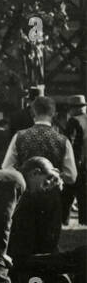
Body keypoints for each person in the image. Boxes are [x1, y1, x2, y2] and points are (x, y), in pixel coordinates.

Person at [3, 95, 77, 259]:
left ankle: (28, 282)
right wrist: (56, 175)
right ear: (54, 114)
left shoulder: (19, 137)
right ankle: (41, 282)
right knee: (47, 246)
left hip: (25, 197)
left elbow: (6, 168)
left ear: (32, 113)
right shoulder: (62, 140)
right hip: (51, 198)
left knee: (24, 243)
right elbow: (72, 176)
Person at [65, 95, 87, 225]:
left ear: (74, 108)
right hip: (85, 163)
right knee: (84, 194)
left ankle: (64, 219)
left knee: (67, 194)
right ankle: (84, 220)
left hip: (76, 161)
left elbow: (69, 143)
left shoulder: (73, 121)